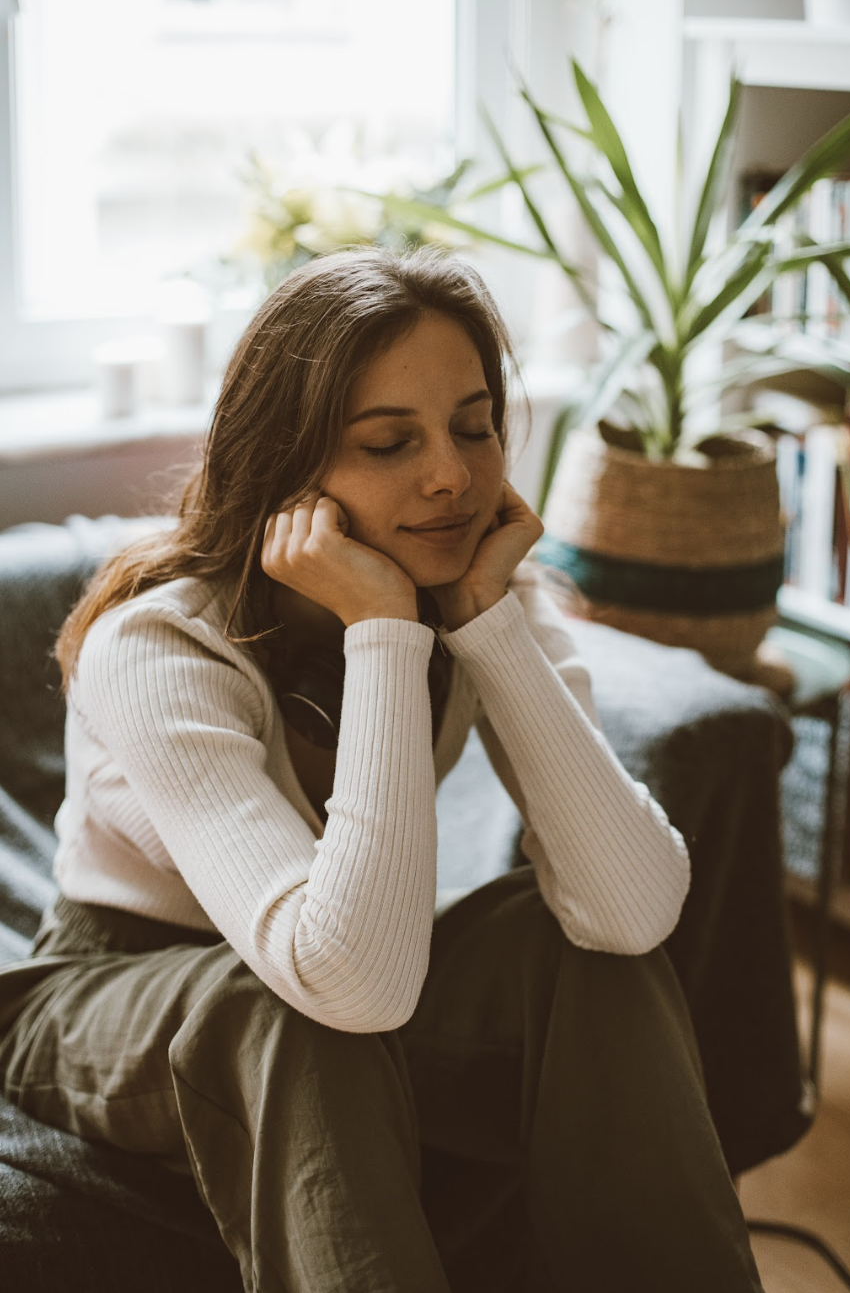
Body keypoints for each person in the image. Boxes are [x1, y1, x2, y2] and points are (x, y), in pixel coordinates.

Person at [0, 246, 764, 1292]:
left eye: (473, 422)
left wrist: (488, 628)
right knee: (291, 1015)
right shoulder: (160, 647)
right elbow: (343, 982)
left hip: (338, 962)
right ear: (286, 461)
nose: (449, 473)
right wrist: (381, 627)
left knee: (578, 947)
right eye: (386, 441)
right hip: (110, 991)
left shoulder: (483, 597)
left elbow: (633, 908)